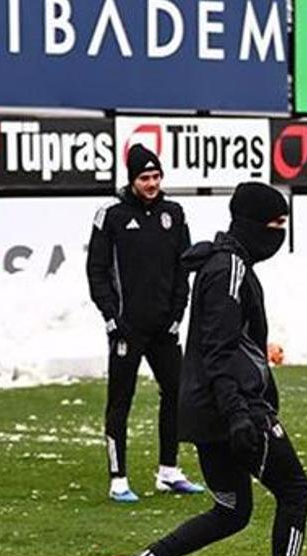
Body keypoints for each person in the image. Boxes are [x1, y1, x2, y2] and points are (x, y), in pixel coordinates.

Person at [104, 183, 307, 556]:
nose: (280, 233)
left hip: (208, 412)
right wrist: (239, 414)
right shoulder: (229, 269)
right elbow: (218, 348)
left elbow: (224, 339)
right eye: (276, 224)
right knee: (296, 491)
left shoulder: (223, 264)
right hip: (234, 410)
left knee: (231, 511)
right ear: (252, 224)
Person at [86, 143, 203, 502]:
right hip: (127, 328)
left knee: (177, 393)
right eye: (144, 178)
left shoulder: (174, 213)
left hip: (164, 328)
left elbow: (184, 269)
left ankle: (168, 471)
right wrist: (111, 317)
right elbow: (96, 271)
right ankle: (118, 478)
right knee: (120, 401)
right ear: (132, 180)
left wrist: (177, 314)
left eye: (155, 176)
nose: (151, 183)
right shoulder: (111, 215)